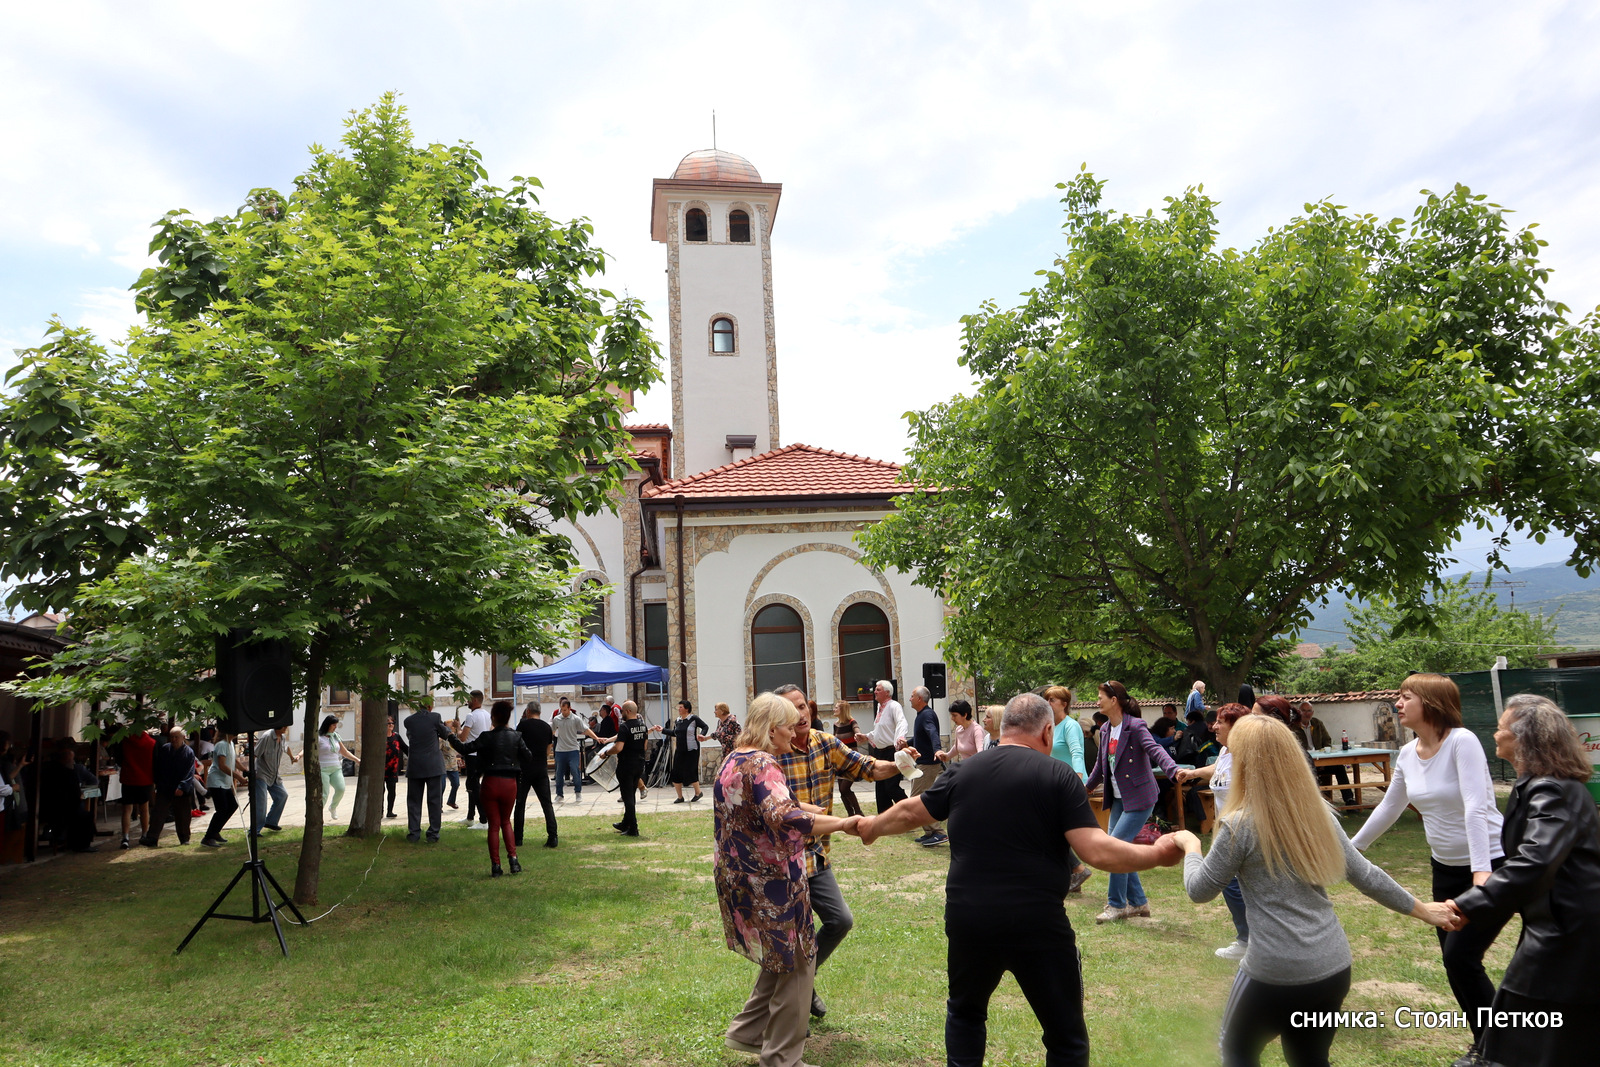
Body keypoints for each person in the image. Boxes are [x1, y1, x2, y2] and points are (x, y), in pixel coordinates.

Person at [855, 692, 1190, 1067]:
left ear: (1007, 727)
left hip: (971, 920)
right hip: (1037, 924)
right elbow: (1096, 851)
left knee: (966, 1014)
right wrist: (1159, 854)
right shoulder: (1057, 775)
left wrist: (872, 827)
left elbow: (910, 811)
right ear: (1048, 732)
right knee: (1066, 1038)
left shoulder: (964, 771)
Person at [1177, 715, 1457, 1067]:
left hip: (1273, 972)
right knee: (1309, 1058)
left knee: (1234, 1050)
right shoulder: (1319, 813)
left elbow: (1199, 891)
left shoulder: (1238, 826)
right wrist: (1424, 911)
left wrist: (1190, 847)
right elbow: (1366, 875)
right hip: (1332, 968)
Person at [1349, 672, 1507, 1038]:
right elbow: (1390, 807)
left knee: (1460, 957)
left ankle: (1499, 1045)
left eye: (1406, 697)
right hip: (1445, 868)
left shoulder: (1461, 742)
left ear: (1431, 703)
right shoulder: (1406, 752)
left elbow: (1475, 807)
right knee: (1456, 964)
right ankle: (1486, 1045)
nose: (1397, 704)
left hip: (1491, 863)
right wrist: (1351, 850)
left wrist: (1481, 873)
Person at [1447, 693, 1600, 1067]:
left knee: (1523, 1009)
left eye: (1501, 727)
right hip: (1560, 925)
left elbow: (1535, 861)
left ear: (1524, 738)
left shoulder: (1554, 789)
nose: (1495, 734)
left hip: (1571, 931)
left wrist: (1471, 902)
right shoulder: (1543, 785)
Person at [715, 692, 860, 1067]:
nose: (794, 729)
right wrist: (845, 824)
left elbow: (764, 808)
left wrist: (807, 808)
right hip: (773, 882)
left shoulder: (734, 757)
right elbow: (783, 817)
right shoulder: (764, 763)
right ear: (772, 728)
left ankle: (747, 1031)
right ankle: (781, 1057)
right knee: (799, 961)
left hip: (741, 879)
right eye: (788, 724)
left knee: (782, 957)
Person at [772, 684, 905, 1020]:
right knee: (791, 939)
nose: (799, 715)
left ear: (811, 709)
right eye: (791, 710)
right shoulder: (770, 753)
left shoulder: (825, 743)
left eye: (802, 706)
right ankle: (793, 1007)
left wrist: (900, 764)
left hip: (816, 856)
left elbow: (868, 767)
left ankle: (806, 980)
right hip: (779, 864)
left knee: (840, 920)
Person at [1083, 680, 1180, 922]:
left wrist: (1173, 769)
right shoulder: (1105, 729)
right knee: (1122, 849)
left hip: (1139, 798)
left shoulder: (1135, 726)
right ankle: (1138, 903)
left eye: (1100, 697)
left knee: (1114, 849)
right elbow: (1100, 767)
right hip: (1117, 799)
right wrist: (1085, 789)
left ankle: (1116, 905)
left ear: (1113, 700)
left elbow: (1154, 749)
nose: (1097, 701)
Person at [1175, 702, 1251, 958]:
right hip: (1225, 833)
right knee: (1233, 884)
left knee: (1230, 883)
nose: (1214, 726)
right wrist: (1192, 773)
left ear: (1236, 726)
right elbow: (1217, 771)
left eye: (1221, 722)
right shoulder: (1226, 752)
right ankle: (1250, 939)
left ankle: (1248, 941)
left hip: (1243, 834)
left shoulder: (1248, 754)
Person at [449, 700, 534, 876]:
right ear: (508, 717)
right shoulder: (516, 736)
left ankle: (496, 866)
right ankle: (514, 860)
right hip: (510, 783)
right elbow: (528, 757)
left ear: (493, 718)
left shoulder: (487, 737)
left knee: (494, 826)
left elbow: (464, 748)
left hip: (491, 782)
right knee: (506, 822)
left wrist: (449, 734)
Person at [1043, 686, 1092, 894]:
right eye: (1046, 700)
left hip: (1070, 783)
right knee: (1053, 830)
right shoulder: (1049, 725)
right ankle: (1072, 874)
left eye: (1052, 700)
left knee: (1054, 830)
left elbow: (1077, 754)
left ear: (1064, 704)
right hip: (1053, 784)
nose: (1048, 703)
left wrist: (1078, 781)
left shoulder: (1070, 726)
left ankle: (1077, 869)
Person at [403, 697, 454, 844]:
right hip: (433, 765)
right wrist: (449, 727)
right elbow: (445, 734)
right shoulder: (435, 717)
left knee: (414, 801)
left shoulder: (409, 721)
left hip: (415, 765)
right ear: (430, 706)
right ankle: (433, 834)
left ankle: (414, 833)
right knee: (434, 801)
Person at [142, 727, 198, 847]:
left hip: (181, 789)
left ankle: (184, 838)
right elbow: (157, 767)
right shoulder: (165, 749)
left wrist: (182, 787)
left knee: (182, 815)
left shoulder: (188, 752)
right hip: (165, 787)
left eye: (176, 737)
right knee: (158, 812)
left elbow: (190, 772)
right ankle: (152, 838)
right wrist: (157, 782)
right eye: (171, 737)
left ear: (183, 737)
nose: (173, 739)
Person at [40, 740, 98, 853]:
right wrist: (82, 796)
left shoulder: (48, 769)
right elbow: (75, 794)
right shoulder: (69, 772)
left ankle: (69, 840)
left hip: (50, 807)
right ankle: (82, 845)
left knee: (80, 812)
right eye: (71, 759)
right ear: (66, 759)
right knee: (85, 815)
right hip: (61, 809)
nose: (73, 761)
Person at [1293, 701, 1355, 807]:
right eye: (1303, 711)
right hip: (1303, 764)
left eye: (1309, 711)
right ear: (1298, 712)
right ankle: (1313, 802)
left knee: (1339, 768)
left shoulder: (1317, 723)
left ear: (1312, 713)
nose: (1306, 713)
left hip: (1321, 760)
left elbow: (1327, 740)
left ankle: (1349, 799)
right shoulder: (1293, 726)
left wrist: (1324, 757)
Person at [514, 702, 558, 849]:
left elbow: (517, 747)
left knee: (520, 803)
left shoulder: (522, 726)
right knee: (547, 804)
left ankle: (518, 838)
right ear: (539, 712)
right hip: (541, 769)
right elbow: (548, 751)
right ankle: (553, 836)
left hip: (524, 769)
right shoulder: (547, 727)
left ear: (527, 711)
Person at [907, 686, 947, 846]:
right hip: (922, 763)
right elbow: (921, 737)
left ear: (919, 699)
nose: (909, 699)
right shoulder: (921, 715)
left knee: (918, 799)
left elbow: (932, 733)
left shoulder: (927, 715)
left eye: (911, 696)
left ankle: (939, 832)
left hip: (928, 764)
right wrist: (906, 743)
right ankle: (930, 832)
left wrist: (937, 749)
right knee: (920, 798)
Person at [865, 680, 909, 815]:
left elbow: (902, 722)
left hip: (891, 751)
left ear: (887, 693)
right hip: (880, 752)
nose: (875, 692)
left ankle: (910, 811)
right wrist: (866, 736)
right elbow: (880, 731)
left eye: (878, 690)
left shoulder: (894, 706)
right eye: (875, 689)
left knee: (891, 786)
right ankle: (885, 818)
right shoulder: (880, 708)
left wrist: (900, 738)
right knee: (881, 787)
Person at [110, 725, 155, 849]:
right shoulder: (151, 742)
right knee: (144, 809)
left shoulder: (124, 741)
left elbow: (119, 760)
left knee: (126, 809)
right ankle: (144, 834)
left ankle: (125, 837)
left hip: (129, 778)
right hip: (145, 779)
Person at [610, 701, 650, 837]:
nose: (621, 714)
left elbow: (618, 747)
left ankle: (633, 828)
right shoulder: (643, 727)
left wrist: (606, 753)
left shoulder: (624, 727)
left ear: (627, 711)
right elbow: (645, 746)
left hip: (626, 765)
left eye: (622, 711)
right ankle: (625, 823)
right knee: (631, 794)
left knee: (628, 798)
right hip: (639, 764)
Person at [657, 699, 709, 803]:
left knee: (691, 770)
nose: (679, 709)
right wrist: (662, 730)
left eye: (681, 707)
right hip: (680, 750)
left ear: (687, 709)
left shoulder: (693, 718)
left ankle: (698, 792)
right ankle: (680, 797)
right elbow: (675, 733)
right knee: (676, 772)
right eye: (679, 707)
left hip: (692, 750)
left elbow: (705, 726)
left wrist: (702, 734)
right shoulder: (678, 721)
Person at [251, 724, 297, 836]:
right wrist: (251, 772)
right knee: (261, 803)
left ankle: (271, 821)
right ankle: (254, 831)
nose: (286, 728)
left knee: (282, 796)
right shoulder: (266, 737)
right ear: (277, 727)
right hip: (261, 774)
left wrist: (292, 757)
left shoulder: (282, 737)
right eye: (283, 727)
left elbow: (286, 747)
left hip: (274, 775)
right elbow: (255, 754)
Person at [200, 728, 244, 847]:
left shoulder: (230, 744)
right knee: (222, 809)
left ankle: (215, 832)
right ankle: (208, 837)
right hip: (216, 781)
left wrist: (246, 771)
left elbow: (234, 761)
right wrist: (238, 777)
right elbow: (222, 766)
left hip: (224, 782)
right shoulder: (221, 744)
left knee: (232, 806)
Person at [552, 697, 600, 803]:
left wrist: (596, 738)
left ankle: (578, 793)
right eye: (561, 709)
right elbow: (552, 730)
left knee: (575, 770)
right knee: (559, 773)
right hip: (560, 750)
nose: (563, 712)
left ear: (569, 708)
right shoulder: (556, 719)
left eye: (565, 710)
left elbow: (586, 729)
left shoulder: (575, 719)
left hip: (573, 749)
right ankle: (559, 794)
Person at [455, 691, 490, 828]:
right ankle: (470, 816)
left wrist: (458, 728)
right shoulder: (487, 714)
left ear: (475, 700)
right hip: (483, 755)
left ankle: (483, 820)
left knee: (474, 787)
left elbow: (463, 738)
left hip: (472, 755)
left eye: (469, 699)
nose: (467, 702)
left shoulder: (471, 716)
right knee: (472, 785)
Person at [315, 715, 358, 821]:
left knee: (341, 789)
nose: (335, 727)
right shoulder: (318, 737)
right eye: (333, 725)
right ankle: (318, 817)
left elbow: (344, 752)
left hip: (336, 768)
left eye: (336, 725)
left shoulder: (335, 737)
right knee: (324, 793)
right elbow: (307, 749)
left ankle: (333, 807)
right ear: (328, 725)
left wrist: (357, 760)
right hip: (323, 769)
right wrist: (299, 756)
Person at [830, 700, 863, 817]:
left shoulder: (852, 722)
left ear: (842, 710)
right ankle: (850, 815)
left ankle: (858, 813)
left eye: (836, 707)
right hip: (840, 762)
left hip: (853, 761)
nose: (834, 709)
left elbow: (857, 729)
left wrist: (858, 735)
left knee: (845, 789)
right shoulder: (836, 725)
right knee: (841, 791)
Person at [382, 716, 408, 819]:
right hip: (381, 769)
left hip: (392, 769)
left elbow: (406, 748)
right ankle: (380, 812)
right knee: (380, 791)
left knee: (392, 790)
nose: (391, 725)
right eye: (388, 723)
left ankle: (390, 811)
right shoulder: (380, 737)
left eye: (392, 723)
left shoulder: (396, 736)